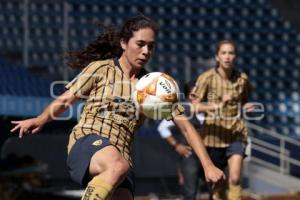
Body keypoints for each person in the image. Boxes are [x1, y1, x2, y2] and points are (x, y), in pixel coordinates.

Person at [10, 15, 225, 200]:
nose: (146, 51)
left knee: (120, 168)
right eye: (140, 44)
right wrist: (39, 119)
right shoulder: (101, 69)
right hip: (87, 141)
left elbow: (186, 128)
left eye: (151, 46)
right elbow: (66, 100)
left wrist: (207, 166)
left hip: (122, 159)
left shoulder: (155, 86)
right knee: (117, 165)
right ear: (124, 43)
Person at [191, 39, 254, 200]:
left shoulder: (242, 79)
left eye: (231, 53)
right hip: (212, 138)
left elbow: (245, 99)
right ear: (217, 57)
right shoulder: (206, 78)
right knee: (218, 184)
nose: (227, 57)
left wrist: (246, 106)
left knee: (234, 178)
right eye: (223, 53)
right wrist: (218, 105)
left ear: (236, 57)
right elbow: (194, 107)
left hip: (235, 135)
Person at [157, 81, 205, 200]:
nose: (197, 98)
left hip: (210, 152)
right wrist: (176, 145)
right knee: (190, 192)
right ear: (188, 96)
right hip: (190, 154)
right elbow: (162, 127)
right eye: (193, 95)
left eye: (199, 94)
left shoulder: (210, 109)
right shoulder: (181, 109)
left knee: (214, 190)